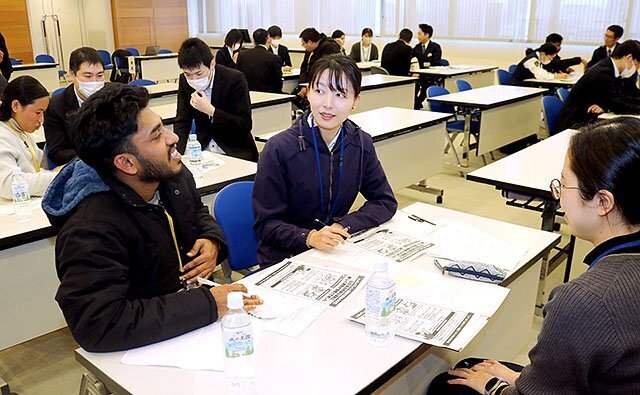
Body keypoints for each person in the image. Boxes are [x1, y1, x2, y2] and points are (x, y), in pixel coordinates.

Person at [41, 83, 263, 353]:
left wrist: (211, 238)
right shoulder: (90, 229)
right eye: (157, 136)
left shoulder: (172, 176)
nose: (173, 138)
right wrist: (209, 303)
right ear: (126, 163)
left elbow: (196, 212)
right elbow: (98, 325)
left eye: (164, 127)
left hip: (189, 321)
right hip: (145, 348)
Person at [428, 116, 640, 394]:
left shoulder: (585, 299)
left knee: (449, 385)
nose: (558, 196)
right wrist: (524, 378)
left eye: (564, 184)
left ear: (603, 202)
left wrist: (495, 386)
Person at [252, 54, 398, 266]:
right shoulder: (279, 148)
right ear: (308, 92)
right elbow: (265, 224)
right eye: (319, 91)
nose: (327, 104)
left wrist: (343, 225)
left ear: (356, 100)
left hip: (333, 252)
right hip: (285, 259)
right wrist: (309, 237)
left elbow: (384, 201)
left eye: (340, 94)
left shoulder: (360, 143)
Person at [174, 38, 258, 162]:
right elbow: (182, 120)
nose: (194, 79)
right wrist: (177, 154)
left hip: (235, 152)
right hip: (203, 152)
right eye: (188, 74)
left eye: (199, 74)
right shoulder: (184, 81)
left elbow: (244, 124)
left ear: (212, 64)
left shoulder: (234, 79)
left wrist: (211, 111)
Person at [557, 40, 640, 131]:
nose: (636, 69)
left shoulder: (610, 69)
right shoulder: (603, 73)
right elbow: (617, 105)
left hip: (587, 117)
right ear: (629, 58)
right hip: (575, 123)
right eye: (636, 65)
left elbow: (620, 97)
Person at [44, 47, 105, 165]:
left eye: (99, 75)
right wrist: (96, 155)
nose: (94, 81)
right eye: (87, 76)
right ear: (72, 74)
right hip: (79, 166)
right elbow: (57, 152)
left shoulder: (113, 97)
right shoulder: (56, 106)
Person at [0, 76, 59, 199]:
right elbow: (9, 185)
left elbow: (35, 170)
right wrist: (58, 176)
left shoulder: (19, 130)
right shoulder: (3, 135)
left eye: (44, 113)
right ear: (16, 106)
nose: (41, 119)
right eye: (38, 112)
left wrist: (53, 173)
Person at [297, 28, 341, 100]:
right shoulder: (309, 50)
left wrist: (309, 86)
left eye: (303, 44)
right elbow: (304, 66)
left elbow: (324, 69)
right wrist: (303, 85)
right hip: (309, 84)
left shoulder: (329, 47)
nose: (303, 46)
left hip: (325, 86)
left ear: (310, 42)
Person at [236, 28, 283, 93]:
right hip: (269, 95)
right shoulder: (274, 58)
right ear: (268, 40)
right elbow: (278, 84)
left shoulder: (242, 55)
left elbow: (239, 76)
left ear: (253, 41)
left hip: (247, 93)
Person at [412, 23, 443, 109]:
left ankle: (417, 103)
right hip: (420, 74)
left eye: (419, 34)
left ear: (427, 35)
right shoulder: (417, 47)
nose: (418, 36)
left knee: (427, 82)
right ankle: (415, 102)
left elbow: (436, 63)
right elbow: (410, 57)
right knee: (413, 83)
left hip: (431, 75)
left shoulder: (435, 47)